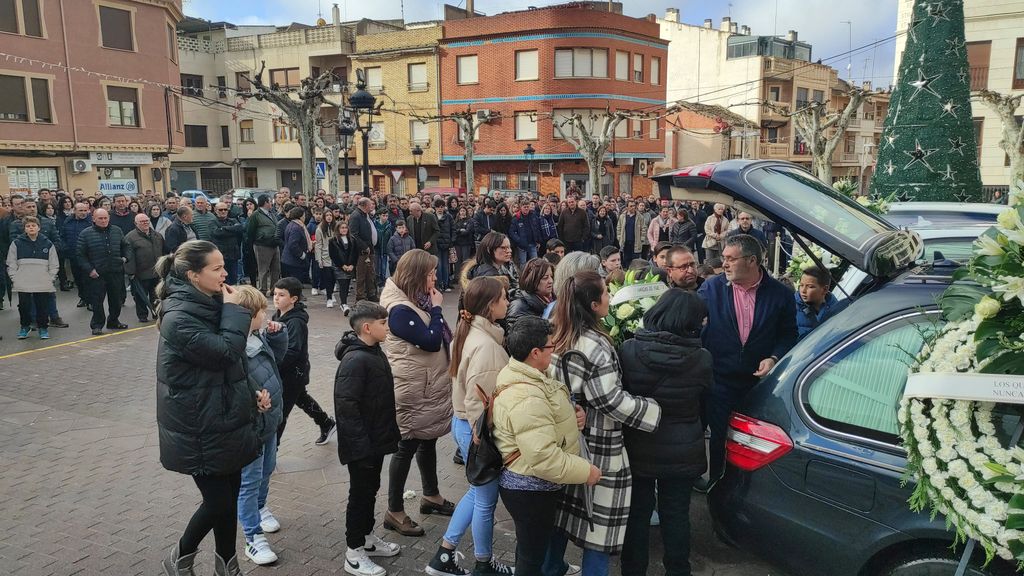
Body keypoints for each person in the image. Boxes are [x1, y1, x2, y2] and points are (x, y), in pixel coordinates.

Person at [545, 270, 662, 576]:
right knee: (599, 531)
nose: (611, 297)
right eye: (606, 293)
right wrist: (651, 409)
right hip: (600, 448)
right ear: (595, 304)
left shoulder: (555, 333)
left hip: (566, 444)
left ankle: (550, 569)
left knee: (561, 521)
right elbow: (611, 400)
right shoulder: (595, 344)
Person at [156, 240, 259, 576]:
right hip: (198, 425)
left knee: (227, 500)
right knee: (220, 502)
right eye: (216, 268)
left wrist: (254, 391)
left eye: (223, 265)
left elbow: (235, 362)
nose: (225, 273)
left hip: (225, 416)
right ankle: (180, 557)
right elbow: (225, 351)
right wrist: (233, 311)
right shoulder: (179, 317)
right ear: (193, 275)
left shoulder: (213, 302)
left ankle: (227, 567)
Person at [493, 316, 601, 576]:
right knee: (531, 559)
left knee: (530, 552)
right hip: (530, 488)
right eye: (551, 346)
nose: (555, 351)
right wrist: (586, 471)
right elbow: (543, 458)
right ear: (535, 352)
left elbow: (546, 417)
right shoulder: (527, 396)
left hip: (533, 485)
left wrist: (573, 416)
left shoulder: (532, 376)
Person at [619, 290, 712, 576]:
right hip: (683, 449)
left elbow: (622, 400)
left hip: (638, 445)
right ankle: (678, 570)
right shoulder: (702, 358)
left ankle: (633, 570)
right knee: (676, 516)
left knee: (636, 515)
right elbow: (706, 407)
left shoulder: (629, 350)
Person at [426, 277, 513, 576]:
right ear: (491, 305)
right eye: (504, 297)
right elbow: (481, 400)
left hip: (465, 425)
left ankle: (444, 555)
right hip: (476, 430)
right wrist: (482, 439)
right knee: (486, 501)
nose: (508, 301)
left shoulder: (471, 334)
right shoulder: (486, 345)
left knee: (477, 494)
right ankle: (483, 564)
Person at [697, 234, 797, 489]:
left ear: (752, 261)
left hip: (757, 383)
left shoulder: (780, 294)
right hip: (719, 379)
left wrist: (774, 357)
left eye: (731, 259)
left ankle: (749, 491)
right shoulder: (711, 289)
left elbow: (788, 334)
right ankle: (718, 485)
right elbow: (694, 328)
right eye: (724, 258)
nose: (725, 264)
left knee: (753, 441)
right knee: (720, 437)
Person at [379, 250, 456, 537]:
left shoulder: (414, 300)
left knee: (428, 441)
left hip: (426, 386)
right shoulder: (399, 309)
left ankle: (431, 496)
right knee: (407, 446)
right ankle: (395, 511)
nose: (435, 277)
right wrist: (437, 309)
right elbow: (431, 341)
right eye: (430, 273)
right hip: (411, 389)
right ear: (415, 275)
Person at [335, 301, 403, 576]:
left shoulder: (373, 351)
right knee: (360, 494)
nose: (388, 327)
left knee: (371, 489)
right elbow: (346, 406)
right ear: (367, 327)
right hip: (362, 445)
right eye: (383, 323)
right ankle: (354, 551)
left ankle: (366, 538)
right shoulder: (356, 359)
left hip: (375, 440)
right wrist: (360, 448)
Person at [232, 285, 287, 567]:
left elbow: (276, 360)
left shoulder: (257, 337)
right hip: (251, 426)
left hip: (269, 422)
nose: (265, 315)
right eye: (261, 312)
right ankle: (252, 537)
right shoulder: (235, 346)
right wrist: (253, 399)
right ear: (247, 315)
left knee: (266, 471)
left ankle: (261, 508)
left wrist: (278, 336)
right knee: (249, 482)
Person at [271, 277, 337, 446]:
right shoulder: (277, 315)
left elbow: (293, 351)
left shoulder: (296, 323)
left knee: (281, 413)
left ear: (294, 299)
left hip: (293, 373)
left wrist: (274, 363)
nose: (276, 298)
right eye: (275, 294)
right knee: (301, 398)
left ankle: (272, 450)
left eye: (281, 295)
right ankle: (326, 423)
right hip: (287, 373)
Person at [77, 208, 128, 336]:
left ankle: (113, 321)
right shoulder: (85, 234)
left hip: (115, 271)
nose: (103, 220)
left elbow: (126, 246)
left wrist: (125, 258)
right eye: (100, 218)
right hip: (96, 274)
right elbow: (80, 255)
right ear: (94, 219)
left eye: (105, 218)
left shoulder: (117, 230)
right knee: (97, 302)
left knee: (116, 300)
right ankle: (97, 325)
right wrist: (90, 270)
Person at [7, 216, 58, 339]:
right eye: (28, 226)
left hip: (42, 281)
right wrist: (15, 277)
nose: (31, 228)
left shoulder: (47, 243)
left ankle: (43, 328)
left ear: (39, 227)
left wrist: (49, 278)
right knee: (24, 306)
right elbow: (11, 262)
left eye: (33, 225)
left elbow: (54, 263)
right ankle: (25, 326)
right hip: (23, 281)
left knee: (42, 306)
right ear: (24, 229)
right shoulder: (17, 243)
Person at [124, 213, 165, 323]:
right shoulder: (130, 237)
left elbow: (164, 252)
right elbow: (129, 256)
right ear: (136, 223)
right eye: (142, 221)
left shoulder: (157, 235)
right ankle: (142, 316)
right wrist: (131, 272)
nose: (145, 223)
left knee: (156, 295)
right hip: (140, 273)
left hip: (156, 272)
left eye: (146, 220)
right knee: (140, 297)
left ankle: (156, 313)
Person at [795, 266, 849, 339]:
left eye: (810, 287)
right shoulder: (790, 307)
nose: (803, 290)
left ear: (825, 289)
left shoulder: (836, 309)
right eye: (801, 285)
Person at [463, 232, 519, 300]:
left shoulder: (507, 268)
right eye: (503, 248)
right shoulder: (489, 275)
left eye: (509, 247)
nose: (509, 251)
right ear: (489, 250)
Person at [507, 258, 555, 333]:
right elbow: (516, 338)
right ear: (532, 279)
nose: (551, 281)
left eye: (551, 276)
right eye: (545, 278)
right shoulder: (518, 306)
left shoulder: (553, 299)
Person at [248, 195, 281, 296]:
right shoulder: (256, 215)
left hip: (274, 244)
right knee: (263, 269)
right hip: (262, 245)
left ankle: (274, 289)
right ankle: (262, 289)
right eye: (270, 201)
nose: (272, 203)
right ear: (266, 202)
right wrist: (256, 241)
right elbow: (250, 231)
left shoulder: (272, 213)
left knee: (276, 268)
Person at [62, 202, 93, 307]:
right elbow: (63, 236)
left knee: (88, 279)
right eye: (80, 210)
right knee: (78, 279)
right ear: (74, 211)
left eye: (85, 210)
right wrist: (65, 248)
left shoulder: (90, 222)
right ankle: (83, 298)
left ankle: (91, 300)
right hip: (73, 255)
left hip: (88, 256)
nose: (83, 213)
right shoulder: (68, 221)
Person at [330, 221, 361, 316]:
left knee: (347, 284)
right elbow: (333, 255)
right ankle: (344, 304)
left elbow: (356, 253)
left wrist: (352, 265)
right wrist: (342, 265)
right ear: (338, 229)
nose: (344, 229)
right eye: (342, 228)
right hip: (339, 266)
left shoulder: (352, 239)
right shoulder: (333, 241)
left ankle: (344, 302)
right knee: (342, 284)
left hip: (350, 265)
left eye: (345, 228)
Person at [351, 198, 379, 301]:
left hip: (370, 249)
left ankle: (371, 294)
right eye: (370, 204)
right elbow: (354, 234)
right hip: (361, 251)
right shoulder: (356, 216)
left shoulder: (366, 215)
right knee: (361, 274)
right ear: (364, 205)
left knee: (370, 273)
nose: (371, 206)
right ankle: (360, 296)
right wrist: (364, 246)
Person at [211, 203, 244, 286]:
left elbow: (240, 228)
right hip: (221, 256)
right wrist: (232, 230)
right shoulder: (212, 222)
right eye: (220, 210)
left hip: (233, 255)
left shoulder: (233, 220)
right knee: (223, 279)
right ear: (215, 210)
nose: (223, 211)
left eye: (225, 209)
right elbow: (217, 233)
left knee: (233, 279)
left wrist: (224, 229)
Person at [281, 207, 311, 282]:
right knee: (295, 284)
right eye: (304, 215)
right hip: (293, 261)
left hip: (291, 260)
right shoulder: (296, 227)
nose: (305, 217)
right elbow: (293, 245)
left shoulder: (293, 224)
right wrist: (302, 255)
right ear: (300, 216)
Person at [314, 210, 338, 307]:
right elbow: (318, 245)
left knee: (334, 278)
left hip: (336, 257)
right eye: (327, 215)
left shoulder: (336, 228)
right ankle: (329, 298)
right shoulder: (319, 229)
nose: (329, 217)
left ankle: (331, 293)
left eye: (330, 215)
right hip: (325, 256)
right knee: (327, 278)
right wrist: (319, 259)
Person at [434, 199, 454, 292]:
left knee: (446, 265)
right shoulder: (432, 216)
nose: (440, 209)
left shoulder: (448, 217)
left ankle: (446, 284)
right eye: (438, 207)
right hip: (436, 244)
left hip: (446, 244)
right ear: (435, 207)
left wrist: (451, 241)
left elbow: (453, 229)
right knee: (438, 264)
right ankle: (439, 284)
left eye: (442, 207)